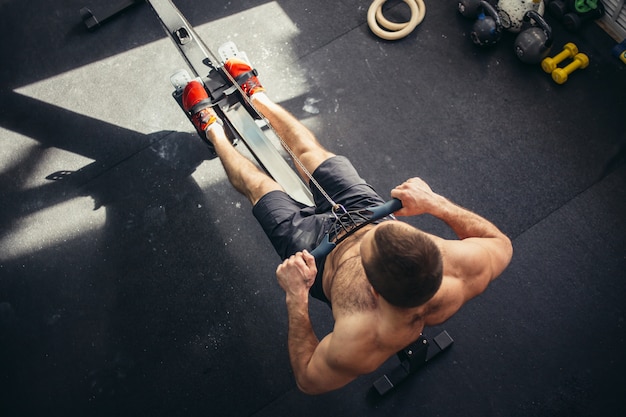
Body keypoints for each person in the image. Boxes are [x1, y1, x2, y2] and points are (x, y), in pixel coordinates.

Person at [181, 59, 513, 395]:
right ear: (432, 250)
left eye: (366, 251)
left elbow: (307, 379)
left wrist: (296, 295)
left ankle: (213, 131)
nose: (363, 239)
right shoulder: (462, 266)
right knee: (311, 152)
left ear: (375, 291)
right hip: (367, 211)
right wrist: (434, 203)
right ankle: (258, 98)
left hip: (317, 257)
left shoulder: (361, 340)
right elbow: (500, 242)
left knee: (260, 188)